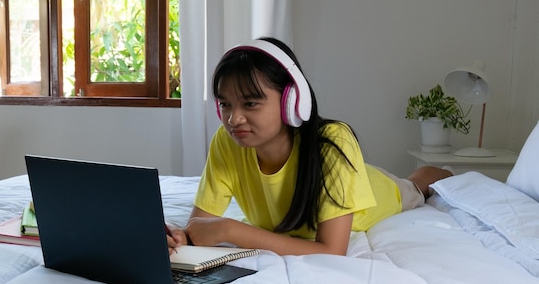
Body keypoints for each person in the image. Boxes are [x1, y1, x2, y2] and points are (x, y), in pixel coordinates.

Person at [167, 37, 451, 256]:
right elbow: (200, 226)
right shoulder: (226, 142)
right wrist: (183, 237)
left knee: (415, 186)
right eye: (225, 105)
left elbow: (331, 250)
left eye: (250, 103)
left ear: (292, 101)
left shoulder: (334, 142)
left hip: (380, 192)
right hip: (345, 175)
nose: (233, 118)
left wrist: (230, 229)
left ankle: (442, 174)